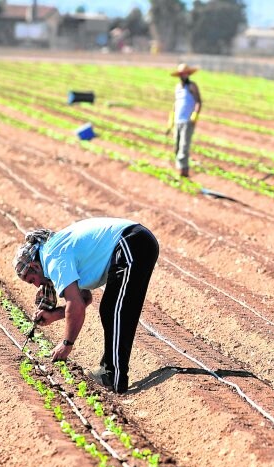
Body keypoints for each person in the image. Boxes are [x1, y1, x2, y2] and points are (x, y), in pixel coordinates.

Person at [13, 217, 159, 394]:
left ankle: (114, 377)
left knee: (115, 311)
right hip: (135, 242)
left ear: (35, 266)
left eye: (32, 280)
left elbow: (76, 306)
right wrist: (55, 315)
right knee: (111, 309)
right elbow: (84, 298)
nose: (37, 285)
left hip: (132, 242)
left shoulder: (53, 259)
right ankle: (110, 373)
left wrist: (67, 344)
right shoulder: (52, 251)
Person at [166, 63, 203, 178]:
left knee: (184, 146)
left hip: (187, 120)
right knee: (177, 147)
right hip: (178, 120)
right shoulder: (178, 87)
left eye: (186, 73)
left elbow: (198, 101)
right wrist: (171, 121)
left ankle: (184, 171)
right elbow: (175, 104)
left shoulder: (192, 86)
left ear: (188, 74)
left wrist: (195, 115)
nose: (184, 75)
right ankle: (179, 169)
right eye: (182, 74)